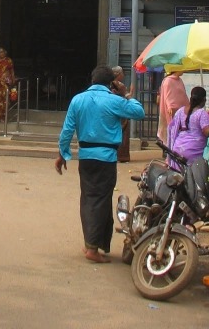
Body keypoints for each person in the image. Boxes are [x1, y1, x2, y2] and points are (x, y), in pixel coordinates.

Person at [55, 65, 145, 263]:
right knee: (101, 201)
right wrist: (125, 95)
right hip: (106, 158)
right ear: (111, 82)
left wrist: (63, 154)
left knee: (89, 199)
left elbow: (67, 130)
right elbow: (139, 112)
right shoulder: (114, 100)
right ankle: (93, 248)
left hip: (86, 157)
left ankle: (92, 243)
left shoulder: (78, 100)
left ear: (92, 79)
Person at [167, 86, 209, 168]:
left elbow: (172, 128)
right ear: (204, 100)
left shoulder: (181, 111)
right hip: (193, 152)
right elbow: (207, 132)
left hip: (177, 149)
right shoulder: (201, 113)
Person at [157, 70, 188, 146]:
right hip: (172, 110)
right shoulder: (167, 81)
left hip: (181, 110)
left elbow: (183, 94)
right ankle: (169, 147)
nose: (183, 70)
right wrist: (169, 106)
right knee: (171, 129)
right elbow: (166, 96)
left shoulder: (180, 80)